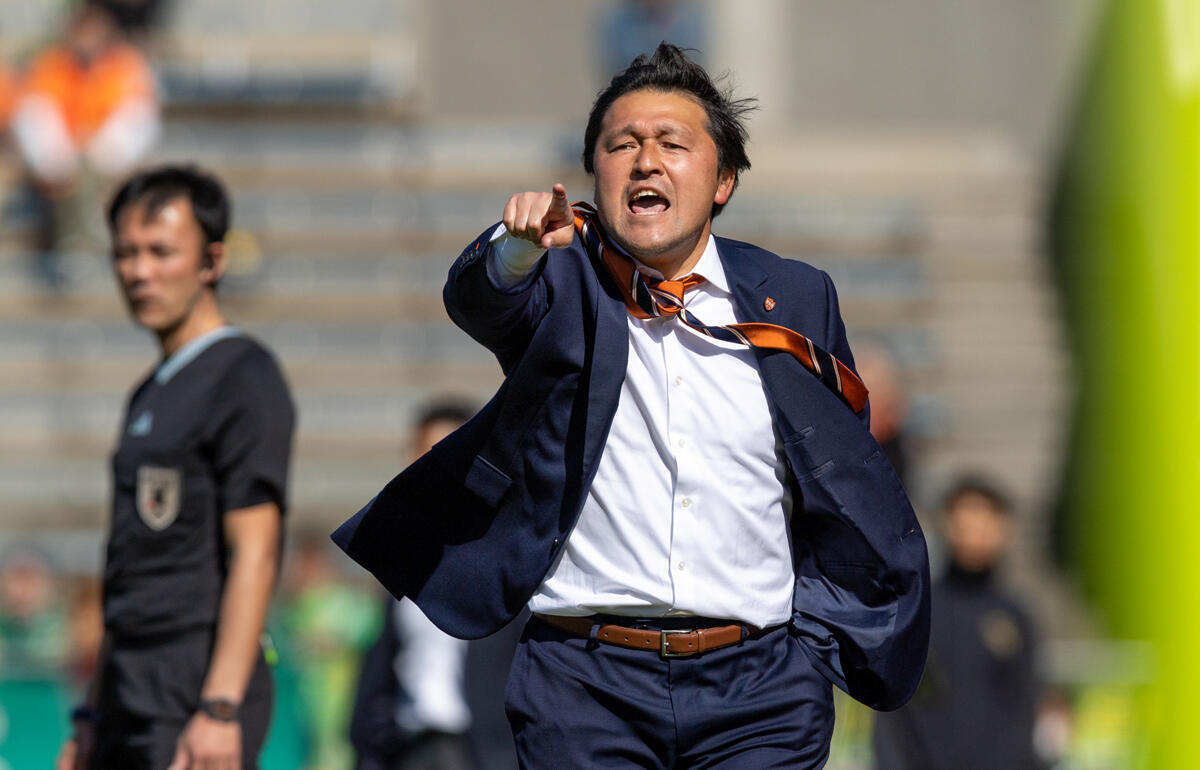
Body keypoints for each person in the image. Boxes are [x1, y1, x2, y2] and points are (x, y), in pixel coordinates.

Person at [335, 44, 930, 768]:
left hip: (762, 686)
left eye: (672, 143)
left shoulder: (797, 295)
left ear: (723, 179)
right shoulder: (562, 277)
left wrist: (812, 641)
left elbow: (835, 469)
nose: (646, 161)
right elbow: (481, 301)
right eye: (622, 145)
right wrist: (516, 247)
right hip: (585, 684)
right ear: (596, 173)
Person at [56, 165, 295, 770]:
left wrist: (220, 707)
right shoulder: (149, 391)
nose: (138, 271)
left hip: (194, 678)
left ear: (212, 261)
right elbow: (130, 571)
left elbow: (256, 550)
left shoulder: (243, 375)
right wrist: (91, 715)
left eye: (160, 251)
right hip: (127, 684)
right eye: (125, 253)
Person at [350, 402, 522, 770]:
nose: (433, 467)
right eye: (423, 452)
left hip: (486, 754)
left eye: (447, 452)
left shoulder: (512, 556)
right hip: (410, 748)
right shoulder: (401, 557)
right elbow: (381, 668)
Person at [872, 476, 1043, 770]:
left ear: (1003, 529)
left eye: (984, 524)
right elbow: (893, 708)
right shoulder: (919, 609)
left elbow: (1024, 706)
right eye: (965, 524)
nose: (974, 535)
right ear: (947, 525)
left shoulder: (1015, 616)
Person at [10, 3, 159, 288]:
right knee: (69, 180)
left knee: (91, 178)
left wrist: (101, 152)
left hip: (104, 157)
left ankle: (83, 245)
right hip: (64, 158)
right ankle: (72, 247)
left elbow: (137, 119)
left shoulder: (125, 65)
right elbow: (35, 116)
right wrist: (57, 158)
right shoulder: (51, 65)